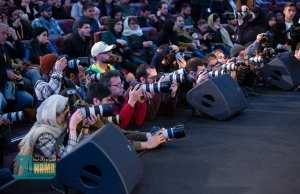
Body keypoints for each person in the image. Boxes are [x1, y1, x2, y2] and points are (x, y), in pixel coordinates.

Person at [14, 94, 98, 176]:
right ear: (55, 116)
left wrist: (85, 126)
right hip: (42, 178)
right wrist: (72, 127)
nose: (68, 116)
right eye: (66, 114)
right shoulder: (43, 136)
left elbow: (74, 149)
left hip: (57, 169)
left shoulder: (57, 127)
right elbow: (69, 160)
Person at [85, 83, 167, 150]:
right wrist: (147, 144)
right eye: (107, 100)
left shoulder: (96, 113)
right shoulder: (87, 116)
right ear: (96, 101)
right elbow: (114, 142)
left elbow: (119, 132)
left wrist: (149, 135)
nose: (109, 104)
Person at [0, 23, 33, 112]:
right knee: (2, 103)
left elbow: (21, 54)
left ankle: (8, 115)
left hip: (7, 83)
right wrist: (5, 73)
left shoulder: (3, 46)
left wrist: (16, 38)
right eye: (3, 33)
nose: (6, 36)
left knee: (28, 99)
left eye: (7, 34)